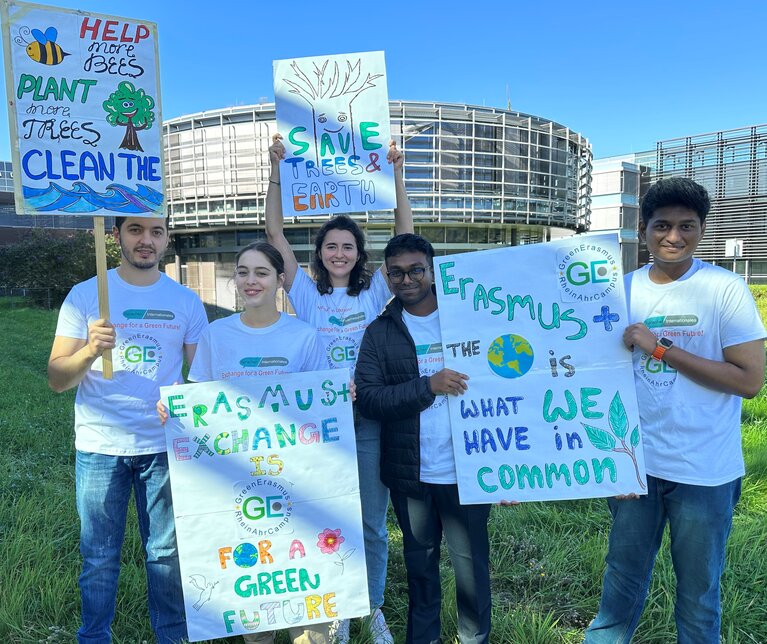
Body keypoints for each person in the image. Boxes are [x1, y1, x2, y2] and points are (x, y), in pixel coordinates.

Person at [584, 177, 766, 644]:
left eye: (687, 226)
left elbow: (749, 381)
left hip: (705, 470)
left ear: (702, 229)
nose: (673, 236)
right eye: (662, 225)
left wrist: (660, 349)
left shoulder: (725, 290)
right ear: (643, 228)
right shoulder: (617, 292)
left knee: (699, 595)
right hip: (634, 464)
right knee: (620, 584)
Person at [266, 134, 414, 643]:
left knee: (372, 522)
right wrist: (276, 170)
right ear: (321, 253)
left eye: (347, 246)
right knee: (326, 515)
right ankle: (335, 608)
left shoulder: (374, 293)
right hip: (318, 421)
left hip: (368, 419)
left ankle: (371, 608)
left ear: (358, 253)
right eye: (331, 245)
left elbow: (406, 233)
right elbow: (275, 234)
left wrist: (396, 171)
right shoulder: (305, 294)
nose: (339, 252)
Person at [48, 216, 208, 643]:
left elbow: (206, 375)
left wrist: (184, 398)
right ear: (115, 236)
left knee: (166, 554)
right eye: (136, 230)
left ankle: (171, 637)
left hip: (163, 446)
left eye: (156, 232)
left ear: (167, 239)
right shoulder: (85, 296)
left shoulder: (186, 301)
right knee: (99, 556)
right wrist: (89, 351)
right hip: (101, 446)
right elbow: (57, 379)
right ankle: (94, 636)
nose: (146, 240)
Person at [355, 233, 493, 644]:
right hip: (411, 473)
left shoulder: (469, 317)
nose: (407, 279)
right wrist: (427, 386)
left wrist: (510, 466)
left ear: (432, 271)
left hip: (467, 469)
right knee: (420, 568)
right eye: (396, 272)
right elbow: (370, 400)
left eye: (416, 270)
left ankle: (474, 638)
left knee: (472, 569)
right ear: (386, 275)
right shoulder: (379, 332)